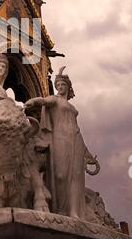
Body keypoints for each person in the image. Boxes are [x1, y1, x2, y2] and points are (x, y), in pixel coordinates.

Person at [25, 67, 99, 219]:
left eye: (62, 85)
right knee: (60, 174)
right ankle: (60, 209)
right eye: (57, 85)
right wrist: (33, 102)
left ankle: (74, 212)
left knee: (76, 176)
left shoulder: (72, 107)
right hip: (59, 138)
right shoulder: (54, 99)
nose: (59, 88)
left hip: (75, 139)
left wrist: (87, 153)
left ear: (68, 87)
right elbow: (43, 100)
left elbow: (77, 129)